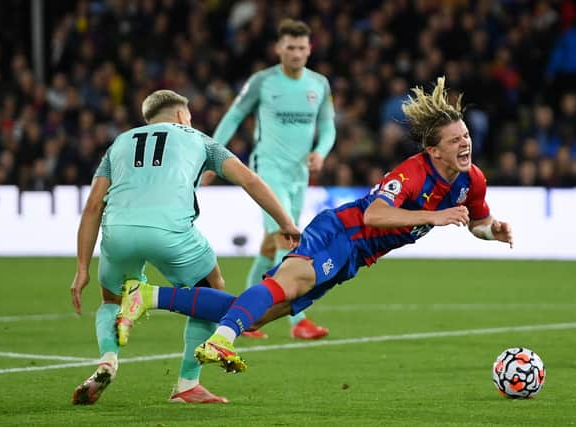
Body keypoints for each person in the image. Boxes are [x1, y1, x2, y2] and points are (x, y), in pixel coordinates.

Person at [117, 77, 513, 374]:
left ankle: (148, 296)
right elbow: (375, 214)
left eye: (466, 136)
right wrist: (434, 217)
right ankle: (221, 339)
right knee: (282, 288)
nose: (465, 144)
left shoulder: (472, 179)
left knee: (254, 312)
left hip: (357, 257)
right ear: (433, 149)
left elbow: (477, 221)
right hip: (341, 233)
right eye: (455, 139)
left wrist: (491, 231)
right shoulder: (411, 173)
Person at [69, 89, 300, 403]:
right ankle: (187, 383)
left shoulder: (120, 143)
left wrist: (82, 268)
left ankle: (108, 359)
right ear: (181, 116)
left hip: (117, 231)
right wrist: (285, 223)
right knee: (211, 289)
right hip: (170, 232)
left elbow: (94, 205)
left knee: (111, 297)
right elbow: (250, 180)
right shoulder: (199, 139)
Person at [210, 18, 336, 340]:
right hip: (267, 171)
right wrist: (211, 153)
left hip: (299, 175)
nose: (295, 53)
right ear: (279, 48)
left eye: (301, 47)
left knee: (270, 246)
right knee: (287, 237)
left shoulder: (319, 84)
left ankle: (243, 314)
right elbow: (234, 116)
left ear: (310, 50)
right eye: (290, 47)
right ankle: (299, 321)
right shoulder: (262, 81)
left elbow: (329, 126)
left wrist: (320, 152)